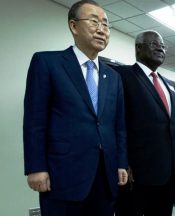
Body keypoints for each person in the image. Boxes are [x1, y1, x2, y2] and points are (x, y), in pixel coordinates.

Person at [23, 1, 128, 216]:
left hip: (105, 176)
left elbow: (118, 125)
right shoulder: (47, 62)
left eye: (106, 25)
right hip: (62, 175)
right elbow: (35, 120)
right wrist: (36, 167)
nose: (102, 29)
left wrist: (121, 163)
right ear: (74, 26)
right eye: (94, 21)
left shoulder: (114, 76)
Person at [112, 30, 175, 216]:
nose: (160, 47)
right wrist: (123, 162)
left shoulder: (169, 84)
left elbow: (173, 127)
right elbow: (116, 122)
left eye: (162, 45)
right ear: (138, 47)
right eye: (154, 44)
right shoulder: (122, 75)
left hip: (168, 174)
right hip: (136, 174)